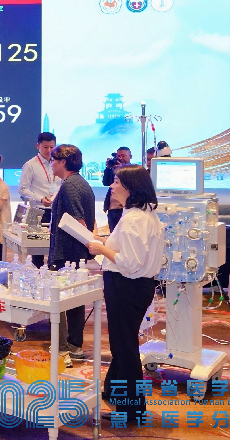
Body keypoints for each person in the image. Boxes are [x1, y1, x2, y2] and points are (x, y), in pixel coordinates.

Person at [86, 165, 163, 422]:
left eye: (117, 181)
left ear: (130, 187)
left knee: (125, 346)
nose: (112, 186)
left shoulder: (133, 219)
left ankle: (132, 409)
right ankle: (116, 393)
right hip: (135, 286)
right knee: (123, 343)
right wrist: (103, 242)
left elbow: (129, 262)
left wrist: (101, 249)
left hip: (126, 285)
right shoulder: (142, 214)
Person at [49, 144, 96, 360]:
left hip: (66, 252)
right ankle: (74, 345)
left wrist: (90, 244)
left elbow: (79, 220)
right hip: (74, 252)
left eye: (54, 160)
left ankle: (62, 349)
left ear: (63, 162)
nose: (51, 164)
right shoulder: (80, 182)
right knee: (74, 299)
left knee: (60, 299)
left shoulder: (70, 185)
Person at [18, 132, 59, 267]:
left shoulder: (59, 163)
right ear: (38, 146)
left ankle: (54, 273)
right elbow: (22, 189)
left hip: (56, 210)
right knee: (36, 251)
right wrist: (40, 198)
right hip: (37, 210)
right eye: (45, 147)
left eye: (52, 147)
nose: (49, 150)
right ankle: (36, 274)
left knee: (56, 247)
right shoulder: (30, 165)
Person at [102, 147, 131, 231]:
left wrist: (122, 170)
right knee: (113, 234)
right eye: (118, 156)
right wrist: (108, 168)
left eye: (123, 156)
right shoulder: (114, 169)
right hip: (112, 209)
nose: (120, 158)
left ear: (130, 156)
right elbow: (106, 183)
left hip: (125, 208)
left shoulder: (134, 171)